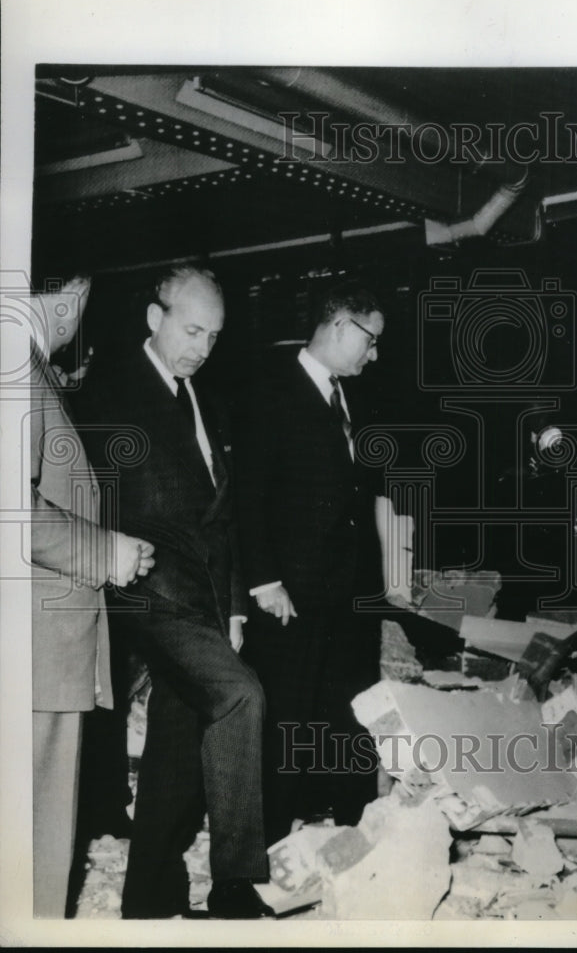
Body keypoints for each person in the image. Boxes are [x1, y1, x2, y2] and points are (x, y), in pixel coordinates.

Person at [78, 266, 271, 919]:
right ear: (155, 318)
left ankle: (148, 900)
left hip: (205, 599)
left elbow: (226, 517)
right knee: (240, 693)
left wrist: (237, 605)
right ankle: (237, 883)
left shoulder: (205, 401)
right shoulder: (105, 394)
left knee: (179, 735)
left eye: (213, 337)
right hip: (146, 591)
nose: (201, 347)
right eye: (192, 331)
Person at [238, 282, 387, 847]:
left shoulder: (349, 396)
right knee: (287, 712)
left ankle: (353, 824)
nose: (374, 355)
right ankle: (271, 836)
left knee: (350, 707)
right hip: (292, 592)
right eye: (370, 340)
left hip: (347, 593)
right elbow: (248, 496)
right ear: (341, 326)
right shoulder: (271, 390)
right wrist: (264, 579)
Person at [28, 272, 154, 917]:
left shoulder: (34, 370)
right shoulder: (16, 368)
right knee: (36, 844)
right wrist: (107, 550)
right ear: (68, 297)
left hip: (36, 645)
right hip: (34, 652)